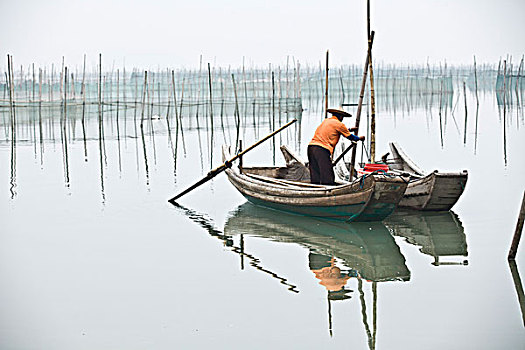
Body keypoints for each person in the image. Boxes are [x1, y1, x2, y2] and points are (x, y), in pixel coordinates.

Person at [307, 108, 365, 185]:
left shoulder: (327, 121)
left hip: (311, 147)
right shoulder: (339, 124)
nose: (342, 119)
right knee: (327, 174)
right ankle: (328, 191)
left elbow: (335, 130)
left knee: (315, 173)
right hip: (321, 149)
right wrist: (360, 138)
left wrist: (350, 129)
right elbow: (351, 137)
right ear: (340, 116)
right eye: (342, 117)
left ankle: (315, 189)